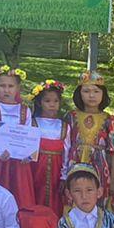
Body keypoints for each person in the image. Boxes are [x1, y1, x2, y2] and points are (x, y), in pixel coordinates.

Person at [64, 70, 114, 200]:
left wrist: (113, 179)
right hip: (74, 164)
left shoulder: (111, 120)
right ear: (79, 93)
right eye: (86, 91)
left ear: (103, 94)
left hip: (100, 168)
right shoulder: (71, 116)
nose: (91, 95)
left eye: (96, 91)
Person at [0, 65, 37, 208]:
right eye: (2, 86)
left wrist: (28, 153)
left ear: (18, 88)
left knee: (20, 196)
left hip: (19, 163)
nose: (6, 90)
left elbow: (28, 135)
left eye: (11, 86)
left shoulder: (25, 111)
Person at [30, 79, 70, 214]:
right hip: (36, 170)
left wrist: (64, 175)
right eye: (47, 101)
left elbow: (66, 152)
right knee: (35, 196)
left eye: (55, 101)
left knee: (55, 201)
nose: (52, 105)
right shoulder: (33, 123)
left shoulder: (64, 126)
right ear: (40, 103)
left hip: (56, 171)